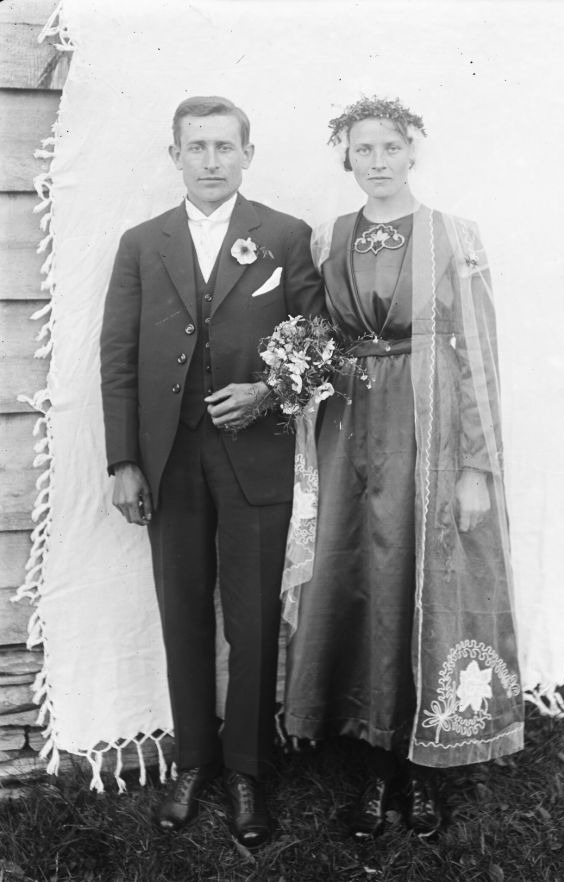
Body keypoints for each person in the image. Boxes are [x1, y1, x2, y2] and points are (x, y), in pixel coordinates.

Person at [282, 96, 524, 838]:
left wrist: (476, 467)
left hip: (431, 429)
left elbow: (478, 357)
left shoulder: (454, 235)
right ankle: (370, 763)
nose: (378, 162)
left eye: (390, 147)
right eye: (363, 150)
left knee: (425, 580)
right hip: (349, 432)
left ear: (413, 151)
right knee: (356, 579)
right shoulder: (331, 237)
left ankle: (423, 771)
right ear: (347, 158)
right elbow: (316, 335)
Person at [100, 95, 324, 846]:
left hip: (253, 455)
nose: (210, 160)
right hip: (170, 459)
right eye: (195, 147)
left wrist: (266, 391)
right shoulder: (142, 243)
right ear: (175, 157)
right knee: (183, 608)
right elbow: (120, 358)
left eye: (224, 147)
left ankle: (249, 771)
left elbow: (320, 341)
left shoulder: (285, 236)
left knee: (254, 617)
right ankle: (194, 758)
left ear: (247, 155)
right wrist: (125, 460)